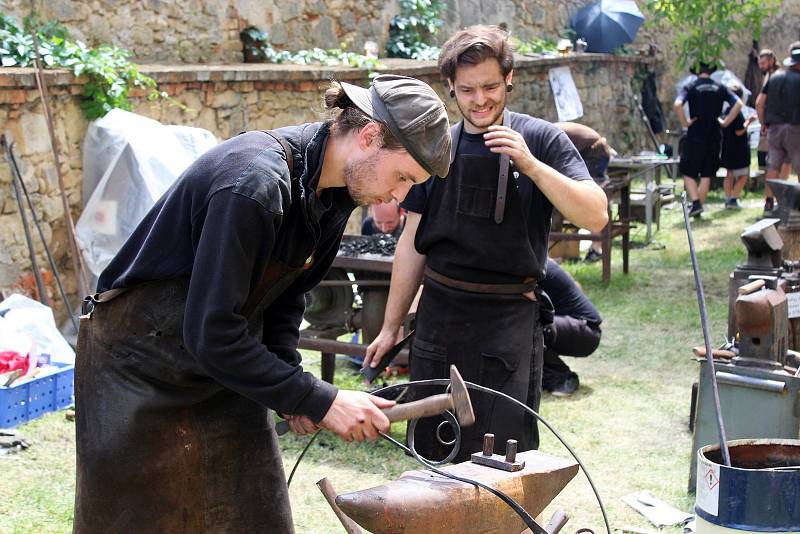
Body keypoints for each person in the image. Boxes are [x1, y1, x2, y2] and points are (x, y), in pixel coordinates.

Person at [73, 74, 452, 533]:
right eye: (403, 176)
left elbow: (286, 299)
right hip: (139, 369)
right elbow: (212, 332)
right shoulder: (253, 184)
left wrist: (292, 391)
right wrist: (321, 398)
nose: (399, 196)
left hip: (220, 371)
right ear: (369, 136)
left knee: (256, 520)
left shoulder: (333, 197)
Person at [364, 25, 608, 463]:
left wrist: (531, 166)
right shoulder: (437, 146)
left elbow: (596, 214)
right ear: (452, 90)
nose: (480, 101)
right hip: (440, 321)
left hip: (509, 326)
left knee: (503, 462)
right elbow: (412, 244)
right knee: (434, 458)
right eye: (468, 90)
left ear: (510, 78)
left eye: (491, 87)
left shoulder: (542, 139)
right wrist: (390, 324)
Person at [674, 62, 742, 217]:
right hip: (714, 134)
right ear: (711, 72)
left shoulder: (690, 87)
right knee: (706, 173)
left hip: (695, 134)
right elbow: (738, 103)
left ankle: (696, 203)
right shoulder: (720, 87)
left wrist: (685, 122)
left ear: (697, 72)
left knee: (688, 171)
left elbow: (678, 104)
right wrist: (725, 122)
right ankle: (699, 206)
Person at [539, 259, 602, 396]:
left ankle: (562, 378)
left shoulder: (534, 264)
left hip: (585, 331)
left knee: (527, 325)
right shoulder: (538, 259)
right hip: (573, 326)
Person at [555, 121, 614, 262]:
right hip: (593, 151)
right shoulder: (544, 131)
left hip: (595, 153)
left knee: (592, 200)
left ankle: (597, 248)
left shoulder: (544, 136)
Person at [757, 42, 800, 216]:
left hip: (774, 129)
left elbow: (759, 103)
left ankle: (769, 203)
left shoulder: (773, 78)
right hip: (795, 128)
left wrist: (763, 124)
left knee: (773, 167)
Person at [720, 83, 754, 209]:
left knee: (729, 174)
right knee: (743, 175)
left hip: (727, 146)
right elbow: (739, 131)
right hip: (738, 148)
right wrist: (750, 121)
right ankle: (734, 198)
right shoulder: (737, 112)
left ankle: (727, 197)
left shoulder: (726, 111)